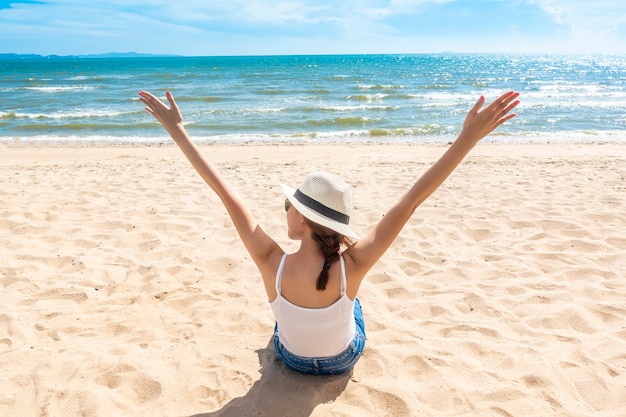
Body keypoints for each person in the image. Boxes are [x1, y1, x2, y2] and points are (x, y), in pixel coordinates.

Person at [138, 90, 520, 375]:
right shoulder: (354, 263)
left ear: (302, 219)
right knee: (353, 305)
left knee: (283, 318)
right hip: (342, 360)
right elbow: (411, 201)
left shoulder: (272, 262)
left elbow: (225, 192)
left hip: (292, 362)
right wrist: (468, 138)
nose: (284, 210)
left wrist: (179, 131)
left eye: (290, 206)